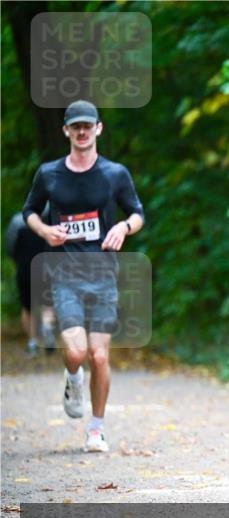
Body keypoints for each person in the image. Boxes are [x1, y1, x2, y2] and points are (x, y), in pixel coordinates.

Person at [22, 100, 145, 453]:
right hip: (65, 275)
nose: (81, 131)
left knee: (100, 356)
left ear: (98, 129)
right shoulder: (49, 174)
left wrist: (123, 227)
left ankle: (96, 428)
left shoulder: (114, 174)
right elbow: (29, 210)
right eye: (75, 126)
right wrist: (45, 231)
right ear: (66, 131)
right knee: (76, 354)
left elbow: (137, 213)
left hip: (103, 274)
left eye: (87, 126)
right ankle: (72, 378)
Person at [5, 209, 56, 356]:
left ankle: (33, 341)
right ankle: (47, 329)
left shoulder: (17, 222)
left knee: (28, 308)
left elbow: (10, 246)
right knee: (48, 304)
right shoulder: (50, 220)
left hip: (24, 269)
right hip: (46, 269)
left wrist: (18, 260)